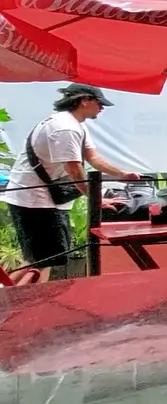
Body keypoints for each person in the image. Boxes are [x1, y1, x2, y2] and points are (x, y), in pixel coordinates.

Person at [3, 83, 140, 281]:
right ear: (84, 100)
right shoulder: (65, 128)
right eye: (99, 103)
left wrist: (123, 175)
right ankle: (18, 299)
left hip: (43, 199)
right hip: (33, 199)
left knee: (47, 258)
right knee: (42, 260)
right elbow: (74, 170)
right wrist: (96, 200)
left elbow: (94, 159)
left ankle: (31, 299)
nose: (102, 108)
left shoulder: (74, 125)